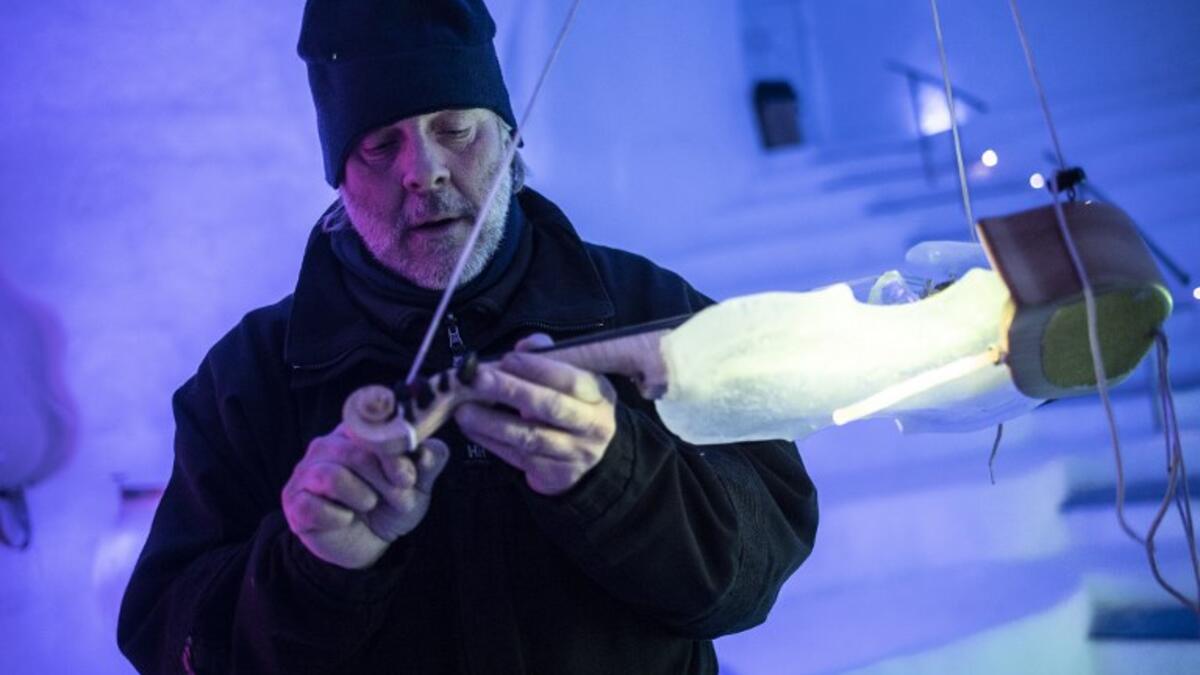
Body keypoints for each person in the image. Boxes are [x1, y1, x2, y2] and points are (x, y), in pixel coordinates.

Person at [117, 1, 818, 673]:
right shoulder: (247, 379)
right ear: (340, 180)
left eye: (455, 129)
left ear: (510, 139)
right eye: (378, 144)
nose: (422, 171)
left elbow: (755, 570)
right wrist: (314, 567)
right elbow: (170, 641)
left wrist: (617, 477)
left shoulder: (647, 307)